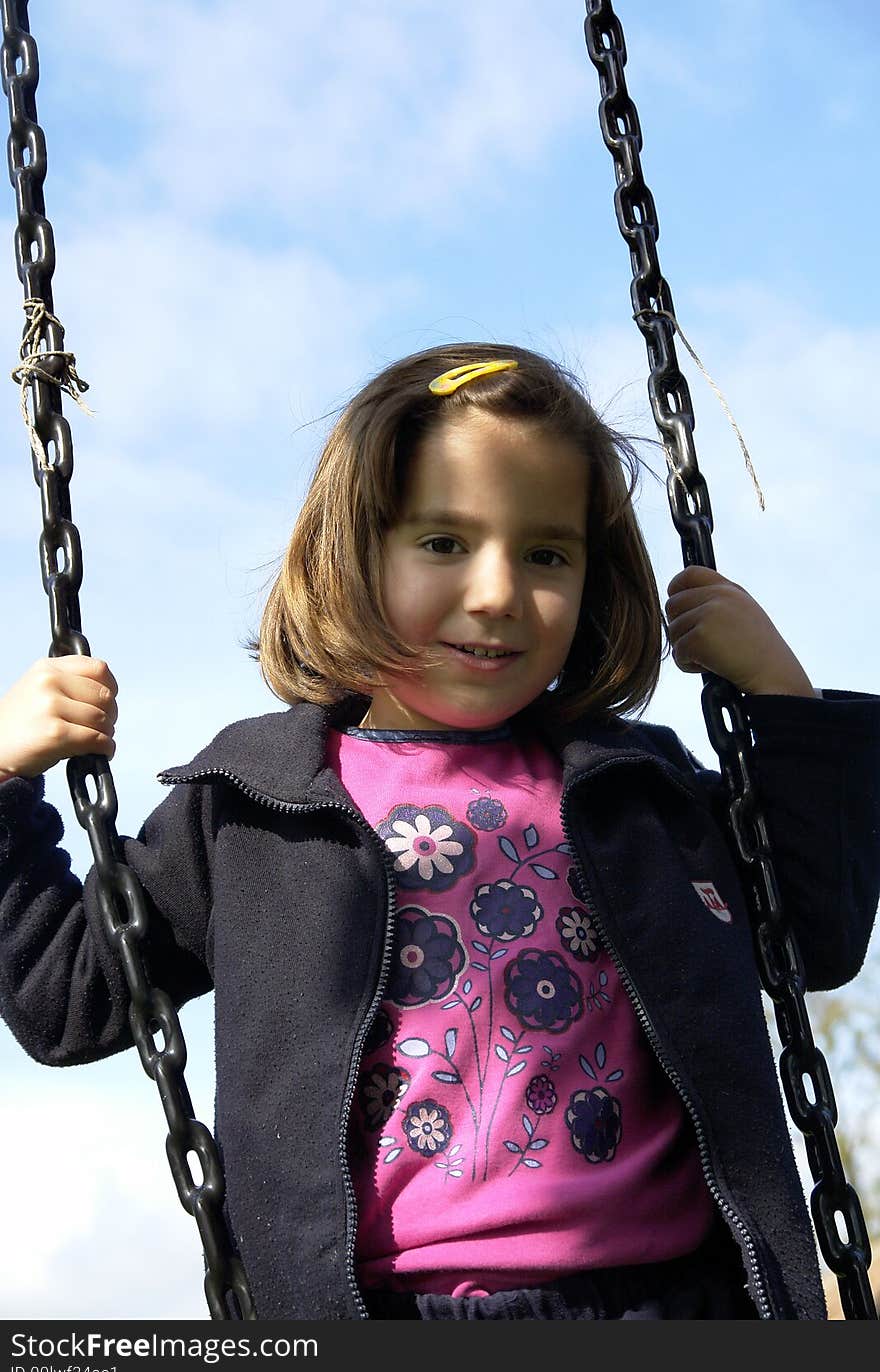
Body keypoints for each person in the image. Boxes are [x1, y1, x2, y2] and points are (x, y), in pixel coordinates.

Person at [0, 345, 877, 1322]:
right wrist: (4, 778)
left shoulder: (636, 791)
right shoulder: (254, 806)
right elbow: (62, 997)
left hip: (663, 1303)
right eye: (444, 543)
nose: (498, 591)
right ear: (355, 553)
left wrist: (784, 698)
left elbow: (812, 931)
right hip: (385, 1315)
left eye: (545, 553)